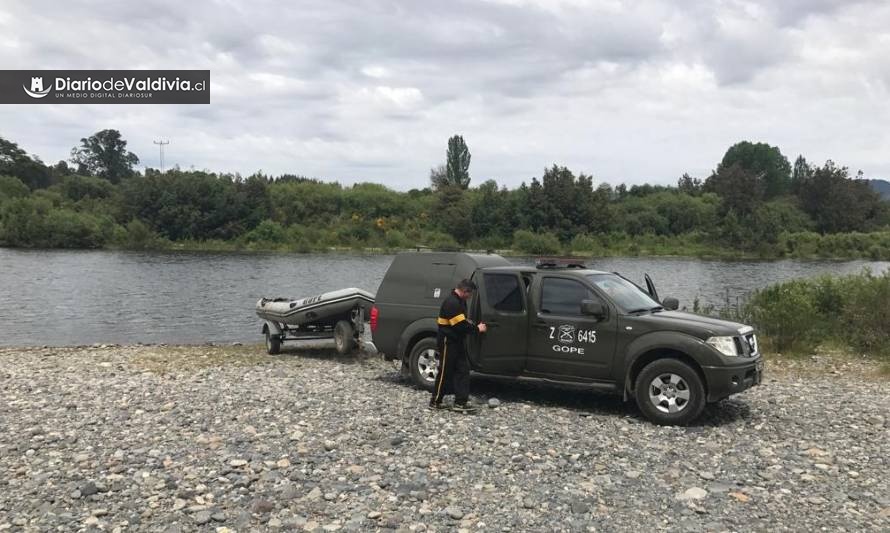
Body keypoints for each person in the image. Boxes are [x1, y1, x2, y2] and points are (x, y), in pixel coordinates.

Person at [429, 279, 487, 412]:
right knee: (445, 371)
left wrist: (470, 323)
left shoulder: (460, 301)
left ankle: (461, 401)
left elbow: (462, 320)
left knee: (463, 370)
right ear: (464, 291)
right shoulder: (452, 302)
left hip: (457, 340)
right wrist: (477, 329)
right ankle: (435, 400)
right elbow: (460, 325)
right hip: (448, 341)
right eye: (470, 294)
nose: (470, 296)